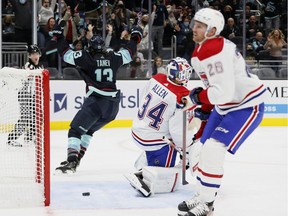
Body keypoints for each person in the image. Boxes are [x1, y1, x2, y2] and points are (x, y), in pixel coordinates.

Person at [177, 8, 268, 216]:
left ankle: (207, 204)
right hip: (226, 105)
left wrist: (196, 98)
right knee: (198, 150)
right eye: (195, 24)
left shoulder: (213, 51)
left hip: (246, 105)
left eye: (200, 26)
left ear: (212, 30)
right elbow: (217, 89)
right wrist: (197, 100)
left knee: (212, 149)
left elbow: (222, 93)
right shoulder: (204, 48)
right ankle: (202, 195)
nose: (194, 28)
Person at [52, 20, 143, 174]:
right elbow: (128, 53)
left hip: (96, 102)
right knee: (88, 131)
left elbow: (66, 55)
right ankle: (77, 159)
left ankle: (71, 162)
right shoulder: (113, 56)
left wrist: (58, 37)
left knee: (75, 131)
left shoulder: (86, 57)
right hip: (113, 107)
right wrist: (135, 38)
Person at [125, 57, 195, 197]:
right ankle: (145, 176)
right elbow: (177, 130)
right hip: (152, 139)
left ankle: (142, 165)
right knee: (172, 183)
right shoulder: (182, 96)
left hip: (137, 129)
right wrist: (185, 149)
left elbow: (144, 97)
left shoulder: (156, 78)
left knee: (165, 136)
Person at [7, 45, 43, 147]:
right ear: (29, 56)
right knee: (25, 118)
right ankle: (11, 139)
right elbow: (29, 74)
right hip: (25, 95)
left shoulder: (40, 66)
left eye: (37, 54)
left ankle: (30, 137)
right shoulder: (28, 66)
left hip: (34, 96)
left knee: (36, 116)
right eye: (33, 54)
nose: (36, 56)